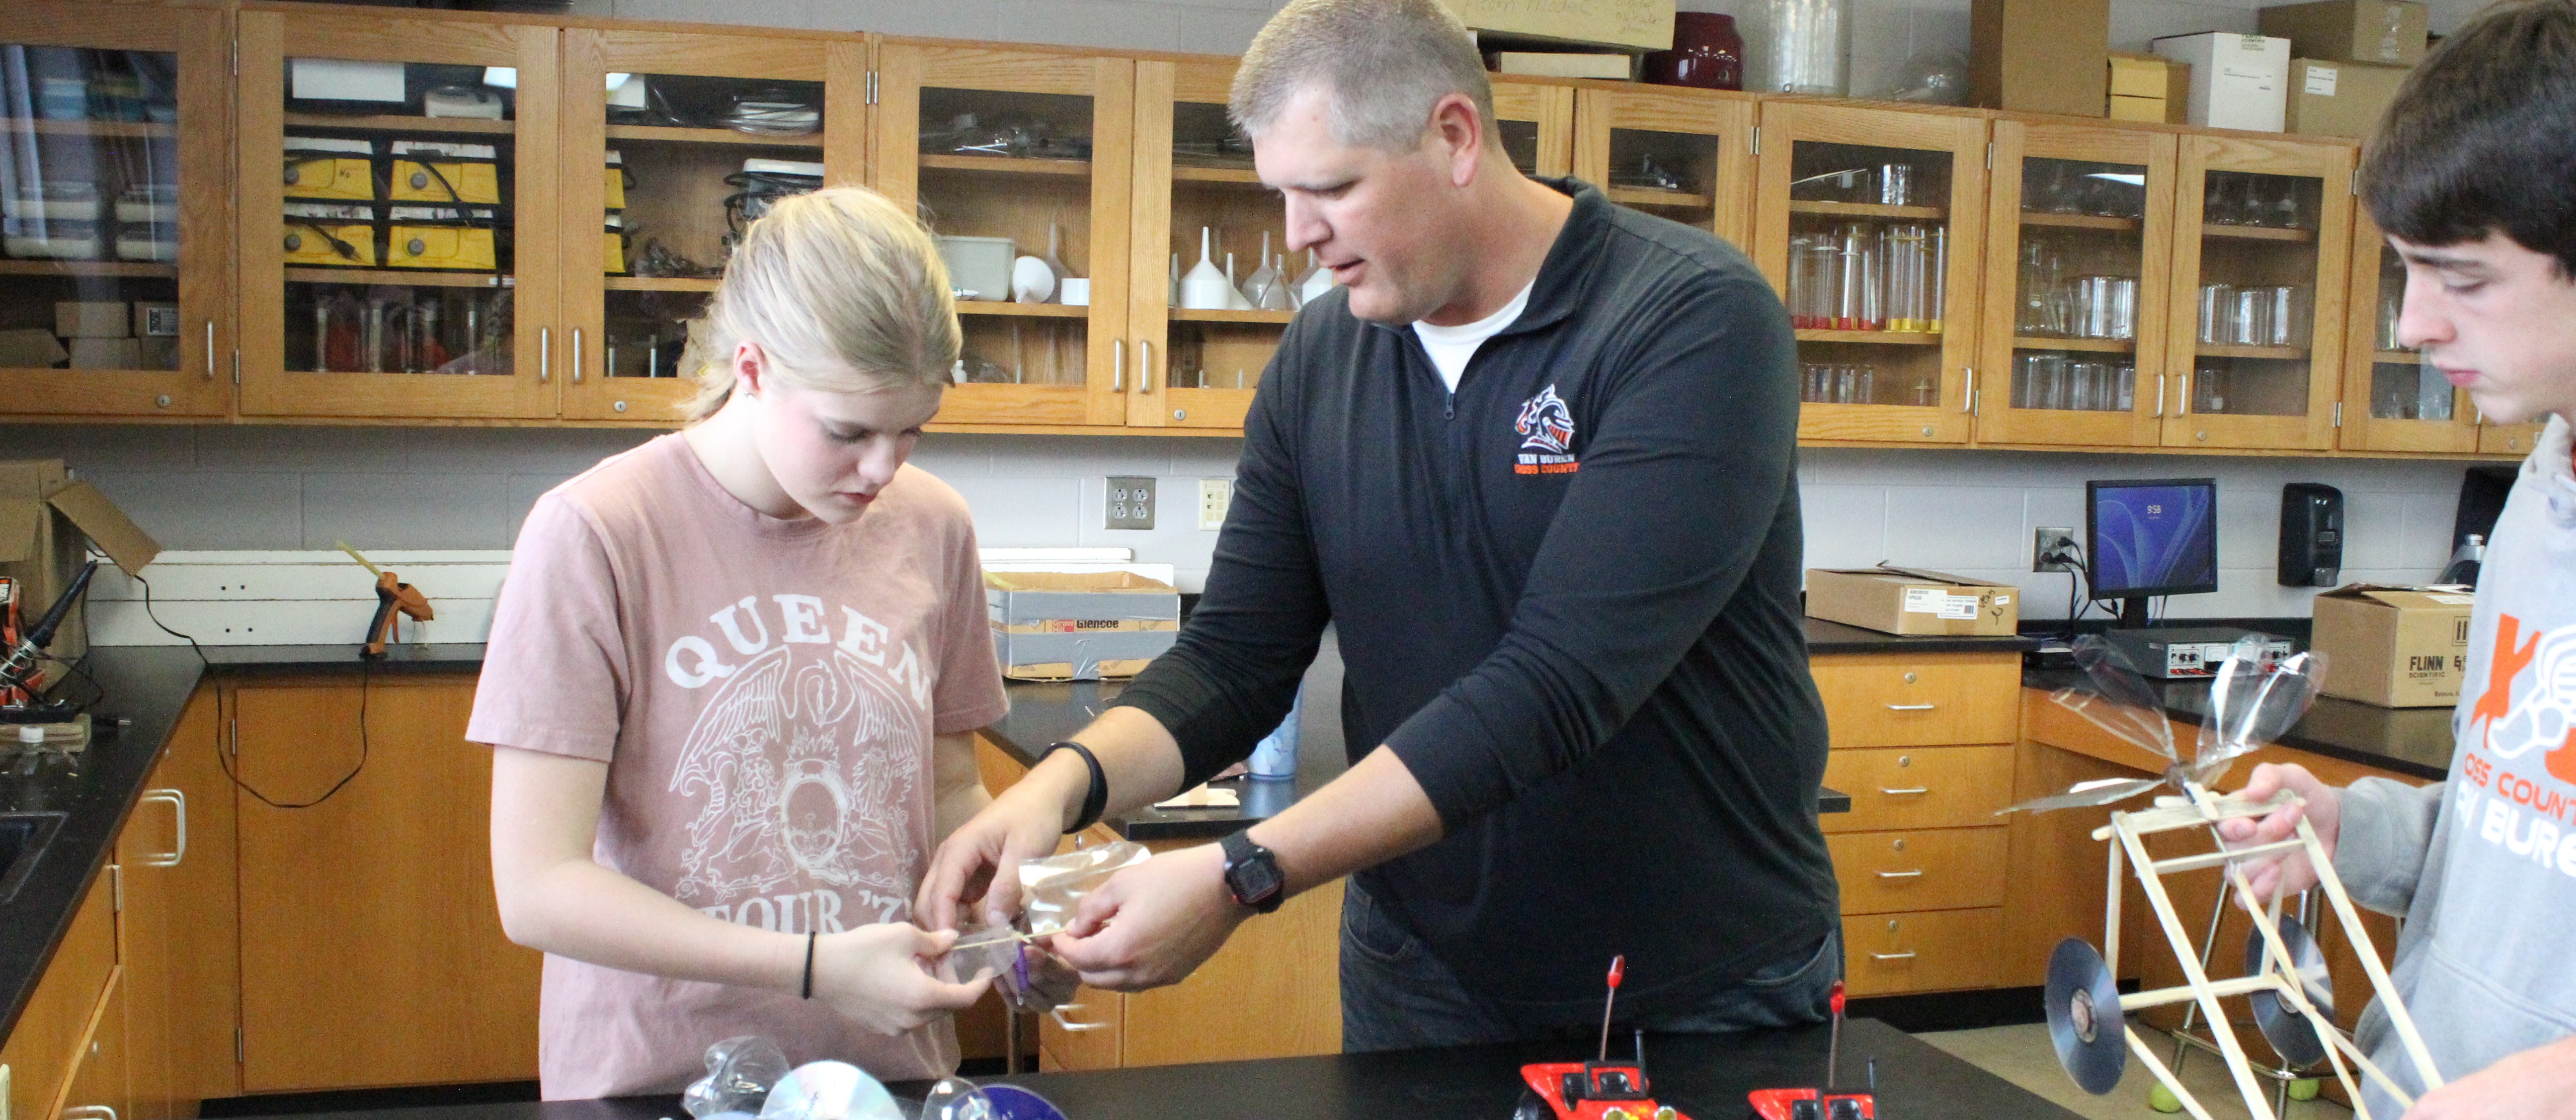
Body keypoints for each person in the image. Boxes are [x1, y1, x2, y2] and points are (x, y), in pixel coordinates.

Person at [920, 0, 1840, 1051]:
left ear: (1454, 137)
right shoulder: (1322, 359)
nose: (1300, 236)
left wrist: (1242, 872)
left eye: (1332, 189)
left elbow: (1555, 685)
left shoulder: (1690, 320)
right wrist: (1056, 789)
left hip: (1695, 982)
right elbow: (1233, 658)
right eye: (1282, 194)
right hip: (1424, 970)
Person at [472, 185, 1005, 1099]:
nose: (883, 469)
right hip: (657, 1079)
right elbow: (538, 885)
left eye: (912, 430)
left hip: (885, 1078)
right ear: (752, 369)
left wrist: (1006, 918)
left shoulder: (934, 525)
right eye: (848, 431)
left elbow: (949, 787)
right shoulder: (595, 533)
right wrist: (815, 965)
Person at [2219, 4, 2576, 1117]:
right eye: (2408, 272)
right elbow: (2524, 826)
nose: (2415, 322)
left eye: (2463, 279)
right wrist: (2352, 827)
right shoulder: (2543, 483)